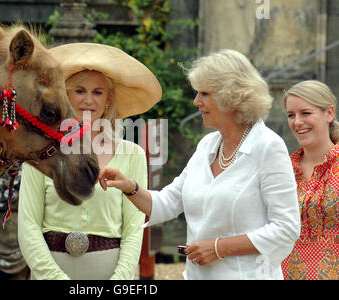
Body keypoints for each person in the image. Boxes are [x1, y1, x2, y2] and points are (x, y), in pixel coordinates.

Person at [99, 49, 301, 280]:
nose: (196, 102)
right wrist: (129, 187)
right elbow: (167, 203)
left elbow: (286, 229)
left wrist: (219, 247)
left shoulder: (268, 147)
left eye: (205, 93)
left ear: (232, 96)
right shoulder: (207, 145)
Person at [17, 43, 162, 280]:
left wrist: (119, 281)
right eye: (80, 91)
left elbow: (134, 230)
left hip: (108, 274)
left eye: (97, 92)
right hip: (48, 273)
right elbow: (28, 226)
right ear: (65, 95)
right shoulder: (40, 152)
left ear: (107, 100)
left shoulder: (132, 155)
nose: (88, 100)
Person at [281, 80, 339, 280]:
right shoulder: (281, 170)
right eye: (291, 115)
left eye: (306, 113)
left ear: (329, 113)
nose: (297, 122)